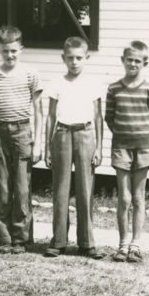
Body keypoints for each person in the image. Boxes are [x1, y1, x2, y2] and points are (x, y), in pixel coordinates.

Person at [0, 24, 43, 254]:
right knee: (2, 188)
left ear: (21, 49)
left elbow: (38, 109)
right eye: (6, 51)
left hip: (23, 132)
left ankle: (22, 239)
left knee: (22, 187)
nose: (10, 55)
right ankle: (4, 238)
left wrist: (39, 142)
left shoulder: (30, 74)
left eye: (14, 51)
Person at [43, 36, 104, 259]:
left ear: (86, 58)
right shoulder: (56, 83)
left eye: (79, 58)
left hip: (86, 134)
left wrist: (99, 148)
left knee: (85, 189)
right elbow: (50, 116)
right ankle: (58, 240)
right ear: (63, 58)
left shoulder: (93, 83)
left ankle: (86, 242)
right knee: (61, 189)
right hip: (62, 134)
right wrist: (47, 146)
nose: (75, 62)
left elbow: (98, 117)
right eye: (70, 58)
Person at [105, 41, 149, 264]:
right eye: (129, 59)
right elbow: (109, 117)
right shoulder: (114, 89)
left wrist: (144, 138)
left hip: (143, 147)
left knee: (138, 198)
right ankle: (121, 244)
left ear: (144, 63)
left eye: (138, 61)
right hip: (121, 147)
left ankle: (135, 245)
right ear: (123, 60)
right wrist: (124, 135)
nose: (133, 64)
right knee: (124, 198)